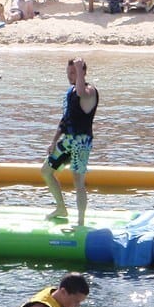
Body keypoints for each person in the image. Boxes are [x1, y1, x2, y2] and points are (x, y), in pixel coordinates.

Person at [42, 58, 98, 228]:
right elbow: (65, 120)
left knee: (77, 181)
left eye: (74, 72)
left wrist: (79, 69)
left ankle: (80, 222)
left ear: (83, 72)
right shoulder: (70, 92)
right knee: (46, 171)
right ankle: (61, 208)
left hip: (81, 142)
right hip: (67, 140)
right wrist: (53, 141)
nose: (70, 76)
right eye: (68, 73)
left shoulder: (89, 91)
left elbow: (81, 92)